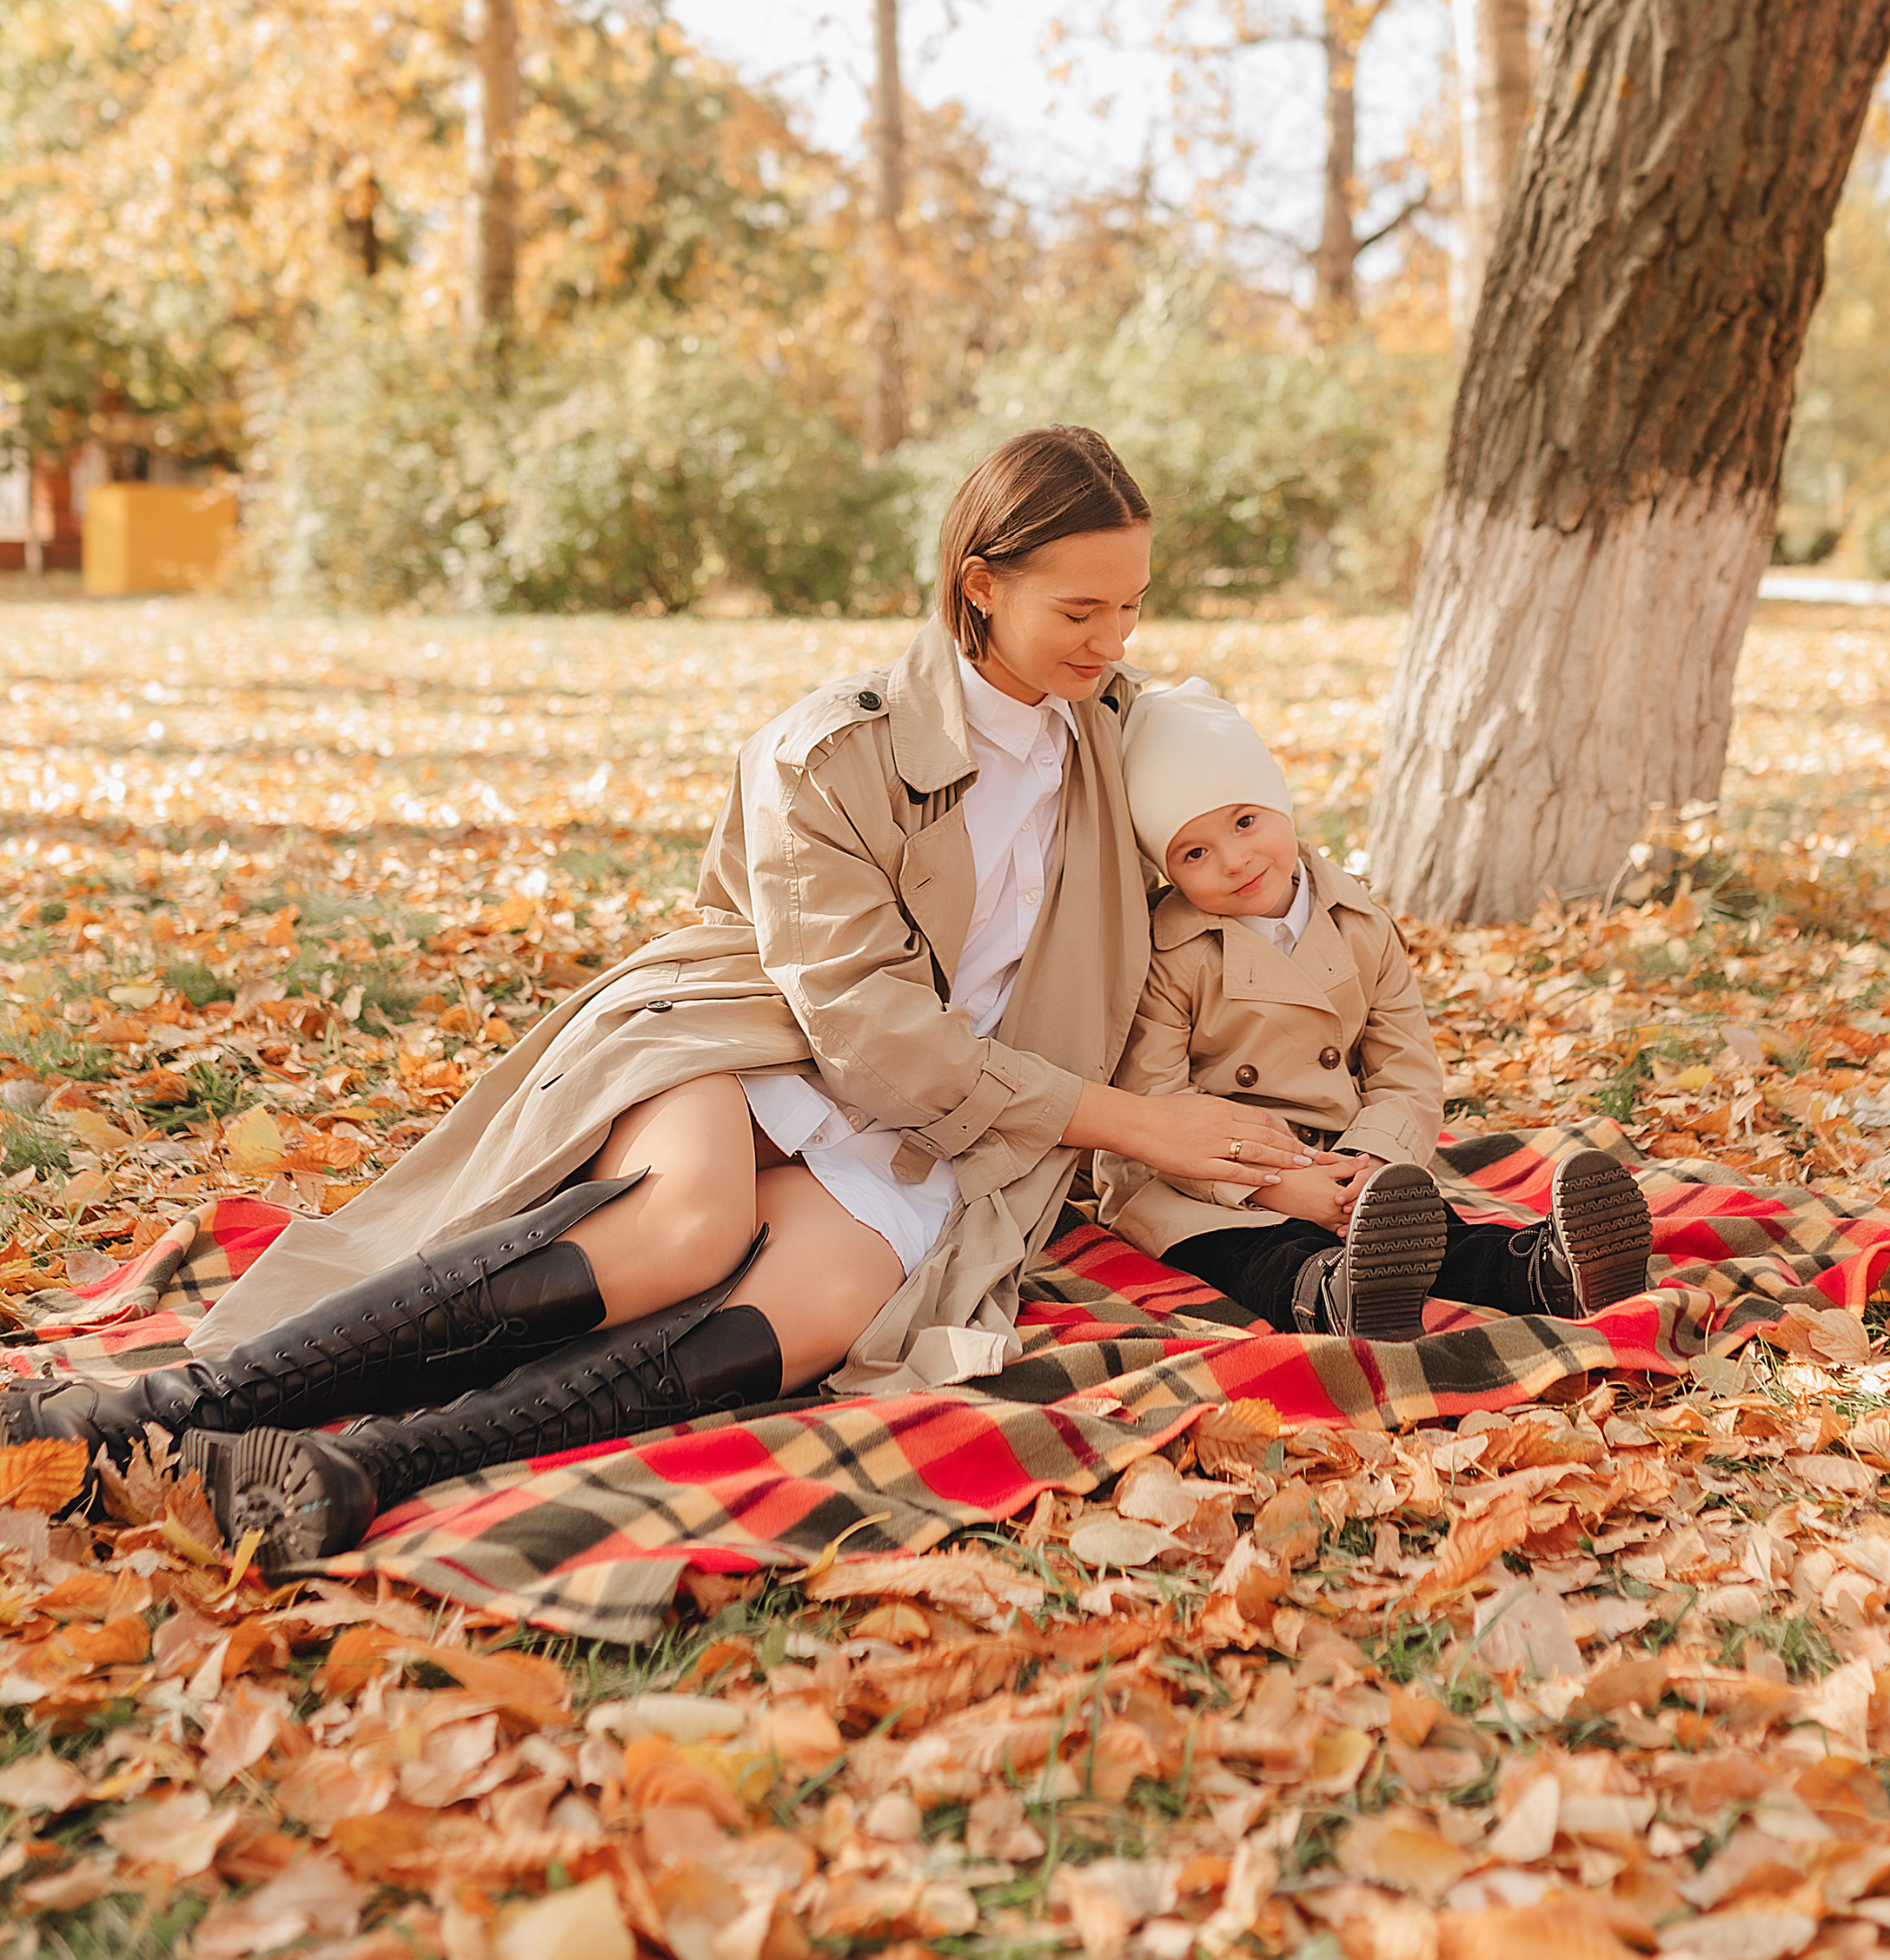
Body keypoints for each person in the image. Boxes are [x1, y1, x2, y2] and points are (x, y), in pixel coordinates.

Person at [2, 430, 1326, 1571]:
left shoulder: (1122, 734)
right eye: (1080, 612)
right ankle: (174, 1407)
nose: (1113, 641)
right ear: (981, 585)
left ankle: (372, 1470)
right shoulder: (831, 747)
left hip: (953, 1113)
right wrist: (1123, 1123)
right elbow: (860, 1032)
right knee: (691, 1227)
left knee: (807, 1318)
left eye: (1133, 610)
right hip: (752, 1032)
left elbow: (1244, 842)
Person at [1096, 679, 1655, 1341]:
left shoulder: (1359, 922)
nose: (1235, 859)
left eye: (1245, 821)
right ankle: (1328, 1297)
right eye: (1195, 853)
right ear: (1168, 870)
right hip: (1206, 1175)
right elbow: (1157, 1104)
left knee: (1422, 1228)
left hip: (1345, 1149)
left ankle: (1542, 1270)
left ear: (1281, 803)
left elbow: (1405, 1070)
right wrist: (1279, 1184)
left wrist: (1370, 1163)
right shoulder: (1169, 952)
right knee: (1255, 1252)